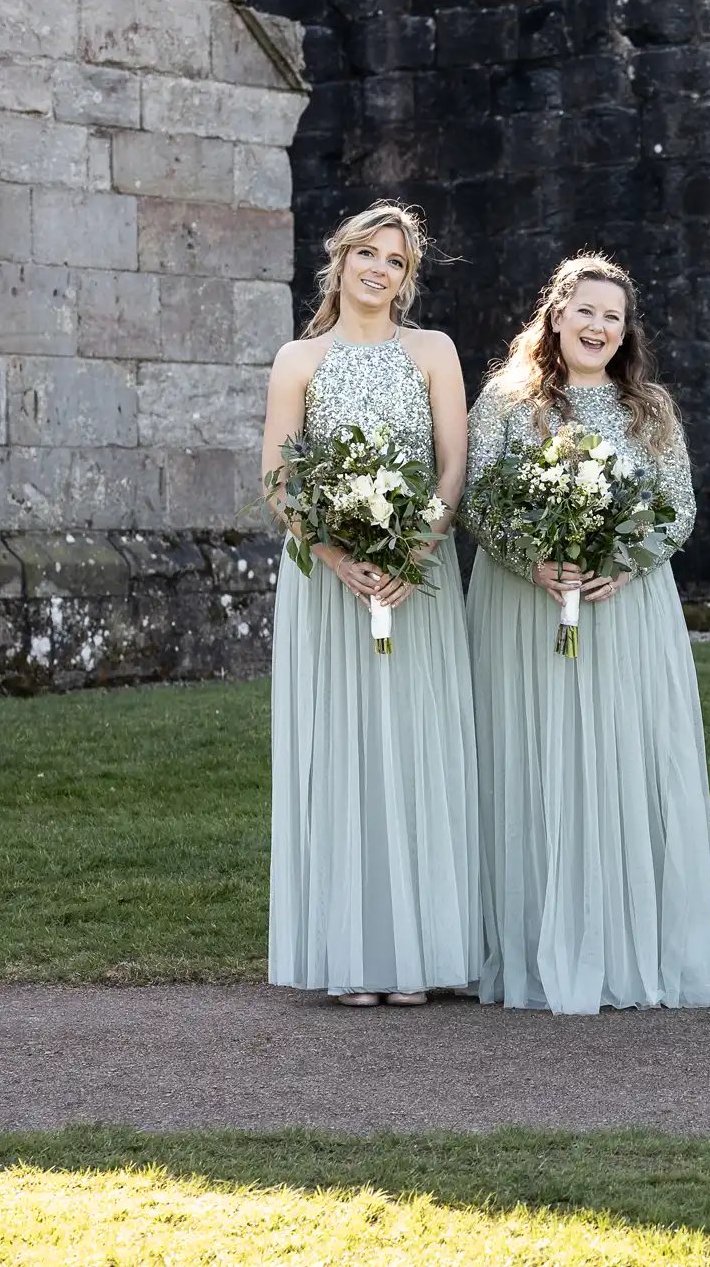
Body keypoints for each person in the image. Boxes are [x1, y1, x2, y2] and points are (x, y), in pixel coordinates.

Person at [461, 253, 710, 1014]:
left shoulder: (650, 408)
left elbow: (678, 510)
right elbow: (475, 501)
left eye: (613, 316)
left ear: (626, 331)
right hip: (525, 606)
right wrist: (533, 558)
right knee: (537, 757)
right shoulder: (508, 404)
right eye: (584, 311)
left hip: (627, 607)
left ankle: (627, 945)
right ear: (555, 315)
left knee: (623, 758)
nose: (598, 326)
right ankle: (531, 946)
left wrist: (629, 558)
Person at [262, 201, 480, 1008]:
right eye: (368, 253)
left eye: (395, 260)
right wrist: (339, 557)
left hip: (415, 580)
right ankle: (353, 953)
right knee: (346, 751)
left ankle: (420, 953)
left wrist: (413, 553)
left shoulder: (433, 351)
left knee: (417, 748)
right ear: (341, 260)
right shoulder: (298, 358)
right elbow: (280, 480)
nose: (379, 269)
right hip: (330, 585)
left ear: (406, 276)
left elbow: (451, 466)